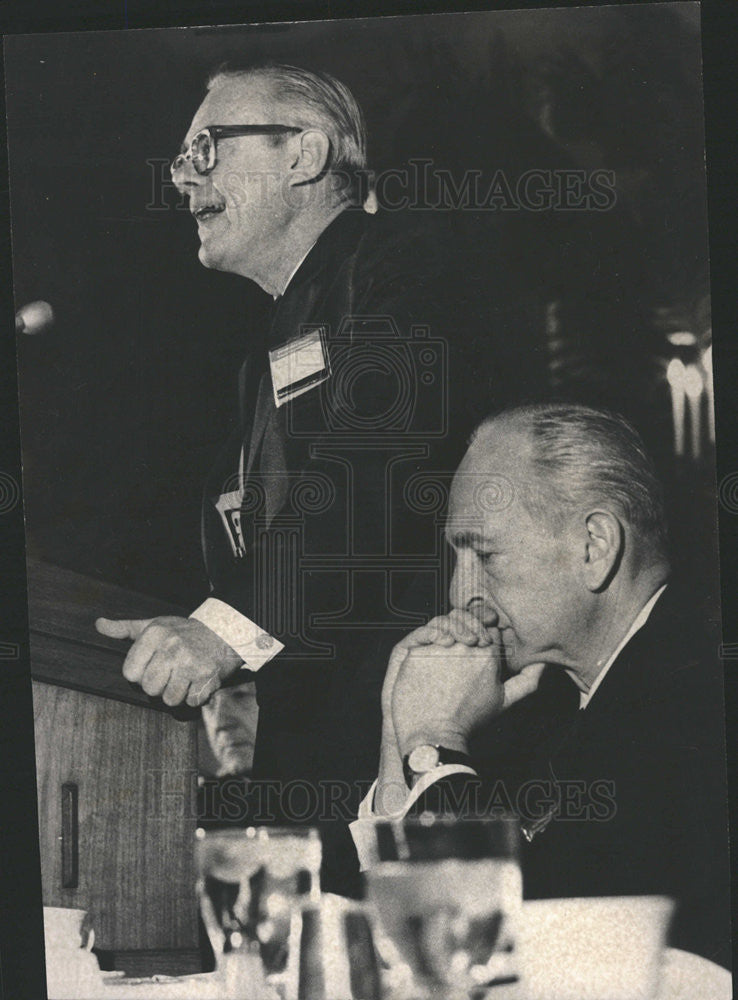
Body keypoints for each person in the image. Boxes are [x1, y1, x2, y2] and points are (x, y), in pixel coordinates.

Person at [93, 63, 541, 891]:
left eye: (206, 147)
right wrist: (198, 627)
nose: (183, 176)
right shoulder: (271, 347)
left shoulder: (406, 262)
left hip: (398, 749)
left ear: (303, 154)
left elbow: (377, 456)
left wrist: (227, 626)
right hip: (311, 759)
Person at [352, 403, 731, 968]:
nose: (461, 595)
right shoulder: (566, 703)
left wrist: (434, 740)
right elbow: (400, 940)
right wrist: (400, 732)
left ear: (595, 546)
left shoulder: (697, 699)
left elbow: (531, 952)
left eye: (484, 553)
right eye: (456, 557)